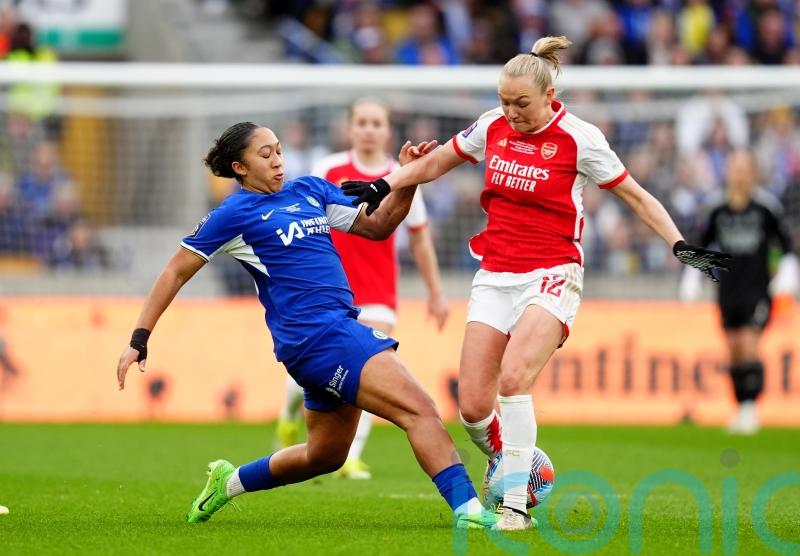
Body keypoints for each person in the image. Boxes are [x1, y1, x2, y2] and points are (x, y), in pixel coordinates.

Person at [340, 35, 731, 531]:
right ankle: (517, 463)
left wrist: (679, 245)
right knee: (473, 408)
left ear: (549, 97)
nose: (511, 111)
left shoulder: (580, 139)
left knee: (513, 379)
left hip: (552, 273)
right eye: (504, 101)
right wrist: (386, 183)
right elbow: (437, 161)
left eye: (521, 103)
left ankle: (514, 507)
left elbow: (636, 195)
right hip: (495, 273)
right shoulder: (493, 126)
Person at [115, 122, 497, 529]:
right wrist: (139, 338)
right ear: (239, 168)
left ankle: (229, 482)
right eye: (265, 155)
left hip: (328, 335)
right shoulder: (233, 214)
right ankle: (469, 511)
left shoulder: (310, 190)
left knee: (325, 455)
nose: (277, 160)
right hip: (319, 337)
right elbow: (174, 272)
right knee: (420, 410)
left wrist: (408, 179)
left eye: (278, 150)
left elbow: (379, 226)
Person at [275, 98, 449, 480]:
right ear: (350, 129)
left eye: (376, 123)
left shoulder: (397, 174)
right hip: (330, 291)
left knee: (373, 367)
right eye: (363, 123)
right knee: (304, 380)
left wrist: (435, 292)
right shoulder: (329, 169)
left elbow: (419, 238)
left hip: (379, 290)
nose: (369, 129)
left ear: (387, 131)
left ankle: (351, 454)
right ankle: (288, 417)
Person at [681, 150, 797, 434]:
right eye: (735, 167)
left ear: (753, 172)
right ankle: (740, 407)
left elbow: (785, 245)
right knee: (733, 350)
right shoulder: (716, 209)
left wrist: (787, 275)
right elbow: (701, 243)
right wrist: (692, 277)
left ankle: (750, 409)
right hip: (728, 290)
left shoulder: (765, 208)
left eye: (745, 167)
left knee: (749, 344)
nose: (739, 173)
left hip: (758, 289)